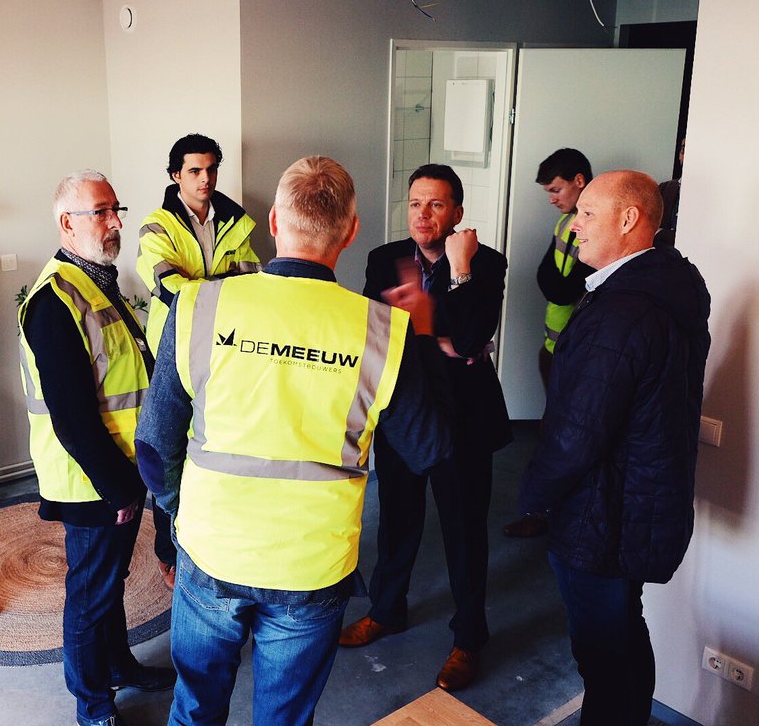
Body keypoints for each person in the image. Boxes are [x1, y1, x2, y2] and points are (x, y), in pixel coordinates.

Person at [136, 156, 451, 726]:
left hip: (212, 548)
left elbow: (155, 447)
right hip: (314, 564)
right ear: (351, 232)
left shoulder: (200, 305)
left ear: (275, 221)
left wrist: (185, 512)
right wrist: (424, 337)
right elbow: (427, 448)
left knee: (195, 707)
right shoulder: (384, 330)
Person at [519, 170, 711, 726]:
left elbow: (577, 433)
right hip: (637, 504)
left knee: (603, 655)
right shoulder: (662, 289)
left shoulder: (622, 312)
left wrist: (532, 495)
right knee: (624, 636)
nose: (573, 226)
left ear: (629, 220)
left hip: (603, 513)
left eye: (586, 214)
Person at [338, 163, 511, 693]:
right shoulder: (384, 259)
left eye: (436, 205)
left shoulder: (486, 262)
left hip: (464, 420)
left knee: (464, 532)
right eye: (415, 203)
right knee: (397, 520)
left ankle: (469, 639)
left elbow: (471, 337)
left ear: (457, 212)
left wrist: (458, 273)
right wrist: (443, 340)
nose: (423, 214)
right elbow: (376, 334)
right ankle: (386, 612)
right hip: (403, 412)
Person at [18, 170, 174, 726]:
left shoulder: (97, 282)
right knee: (90, 592)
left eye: (115, 210)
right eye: (100, 213)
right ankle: (93, 703)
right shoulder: (54, 300)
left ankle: (118, 665)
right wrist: (118, 487)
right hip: (90, 479)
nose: (114, 223)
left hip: (118, 469)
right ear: (67, 223)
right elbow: (72, 415)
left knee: (110, 582)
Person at [136, 133, 260, 590]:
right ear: (176, 175)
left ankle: (209, 543)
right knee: (167, 449)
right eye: (194, 170)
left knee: (212, 445)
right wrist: (218, 285)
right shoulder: (156, 226)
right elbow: (168, 285)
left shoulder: (236, 222)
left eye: (211, 169)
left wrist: (200, 284)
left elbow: (252, 280)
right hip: (174, 350)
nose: (205, 179)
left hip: (225, 349)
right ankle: (168, 552)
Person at [505, 148, 595, 539]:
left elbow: (561, 289)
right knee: (551, 430)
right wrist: (556, 287)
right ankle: (544, 512)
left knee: (561, 437)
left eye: (556, 189)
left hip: (575, 350)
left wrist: (556, 287)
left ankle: (548, 516)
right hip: (553, 343)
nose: (552, 198)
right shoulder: (564, 222)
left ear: (579, 181)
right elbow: (547, 278)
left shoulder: (592, 228)